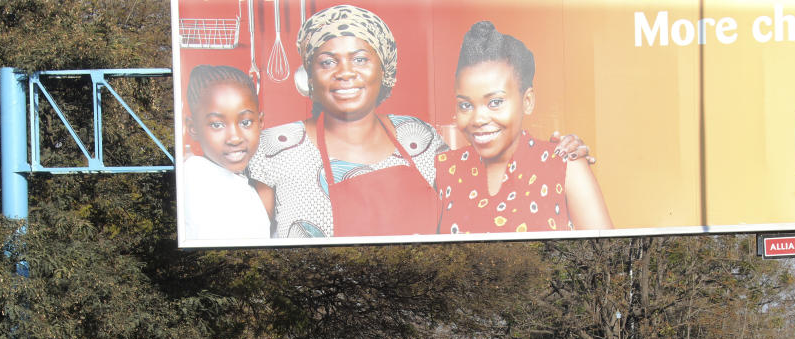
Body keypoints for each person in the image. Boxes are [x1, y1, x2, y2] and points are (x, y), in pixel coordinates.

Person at [247, 5, 590, 239]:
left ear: (384, 70)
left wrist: (559, 154)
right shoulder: (273, 148)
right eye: (327, 61)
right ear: (309, 74)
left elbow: (491, 165)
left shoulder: (419, 138)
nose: (345, 73)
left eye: (361, 58)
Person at [436, 21, 612, 235]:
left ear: (527, 101)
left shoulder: (565, 167)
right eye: (465, 105)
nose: (478, 119)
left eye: (495, 102)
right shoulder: (444, 172)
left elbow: (608, 261)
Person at [182, 65, 271, 241]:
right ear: (193, 128)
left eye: (245, 122)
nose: (235, 138)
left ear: (260, 122)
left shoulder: (251, 186)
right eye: (217, 124)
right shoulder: (193, 176)